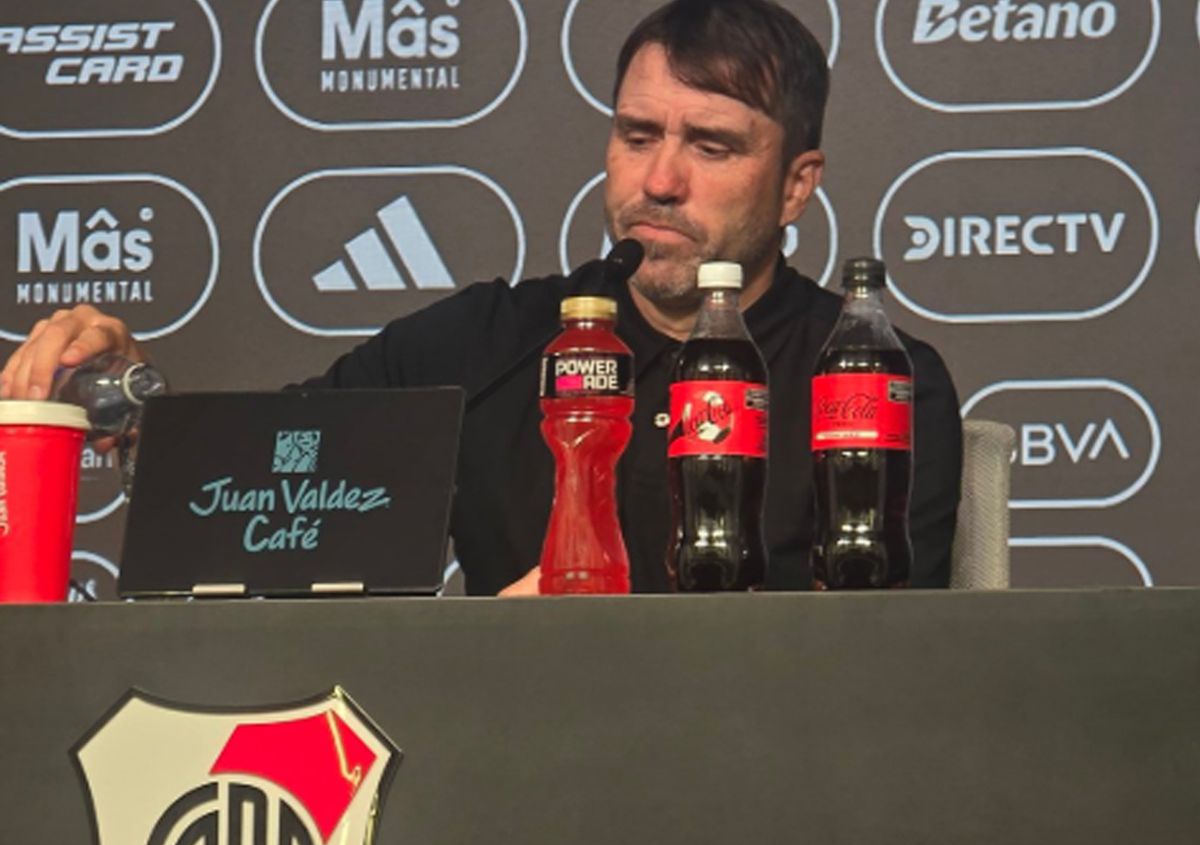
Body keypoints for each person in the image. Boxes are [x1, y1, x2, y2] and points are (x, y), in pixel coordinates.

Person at [0, 0, 962, 596]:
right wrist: (132, 395)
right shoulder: (489, 340)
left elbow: (885, 663)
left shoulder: (877, 381)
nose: (660, 181)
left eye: (711, 147)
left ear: (796, 185)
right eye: (637, 136)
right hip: (503, 781)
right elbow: (264, 477)